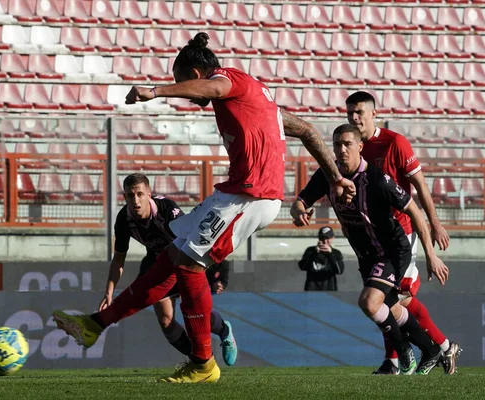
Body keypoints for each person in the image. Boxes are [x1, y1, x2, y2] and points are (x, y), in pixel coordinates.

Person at [53, 32, 356, 384]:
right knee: (171, 257)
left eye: (184, 83)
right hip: (235, 194)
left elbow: (212, 89)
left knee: (187, 265)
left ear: (196, 75)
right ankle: (95, 325)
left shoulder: (228, 82)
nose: (187, 92)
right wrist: (334, 177)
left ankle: (202, 363)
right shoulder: (256, 98)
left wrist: (156, 91)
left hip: (251, 195)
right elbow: (305, 130)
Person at [291, 124, 449, 375]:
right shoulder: (327, 175)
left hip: (392, 250)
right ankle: (432, 350)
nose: (341, 150)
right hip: (366, 255)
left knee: (369, 302)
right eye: (337, 145)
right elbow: (299, 202)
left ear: (360, 147)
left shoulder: (377, 179)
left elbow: (414, 211)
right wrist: (299, 211)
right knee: (393, 308)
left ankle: (403, 351)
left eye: (347, 144)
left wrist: (431, 254)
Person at [345, 91, 461, 375]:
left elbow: (420, 185)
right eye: (350, 113)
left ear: (374, 113)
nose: (354, 117)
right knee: (390, 300)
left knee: (395, 297)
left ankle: (404, 358)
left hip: (401, 234)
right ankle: (439, 348)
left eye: (359, 112)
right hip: (373, 237)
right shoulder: (354, 148)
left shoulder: (394, 142)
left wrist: (434, 224)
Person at [100, 173, 237, 366]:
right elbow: (119, 259)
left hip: (183, 260)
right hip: (156, 263)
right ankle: (199, 362)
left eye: (140, 194)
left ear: (149, 194)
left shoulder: (167, 210)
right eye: (130, 195)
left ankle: (224, 330)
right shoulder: (124, 219)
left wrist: (219, 272)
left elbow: (196, 238)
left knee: (196, 314)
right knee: (166, 321)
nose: (135, 200)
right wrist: (109, 292)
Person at [298, 226, 345, 291]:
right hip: (312, 290)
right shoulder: (310, 251)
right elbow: (302, 267)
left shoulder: (336, 253)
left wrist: (330, 254)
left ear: (332, 238)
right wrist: (314, 253)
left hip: (329, 290)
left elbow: (339, 271)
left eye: (328, 238)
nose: (325, 241)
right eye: (322, 238)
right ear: (319, 238)